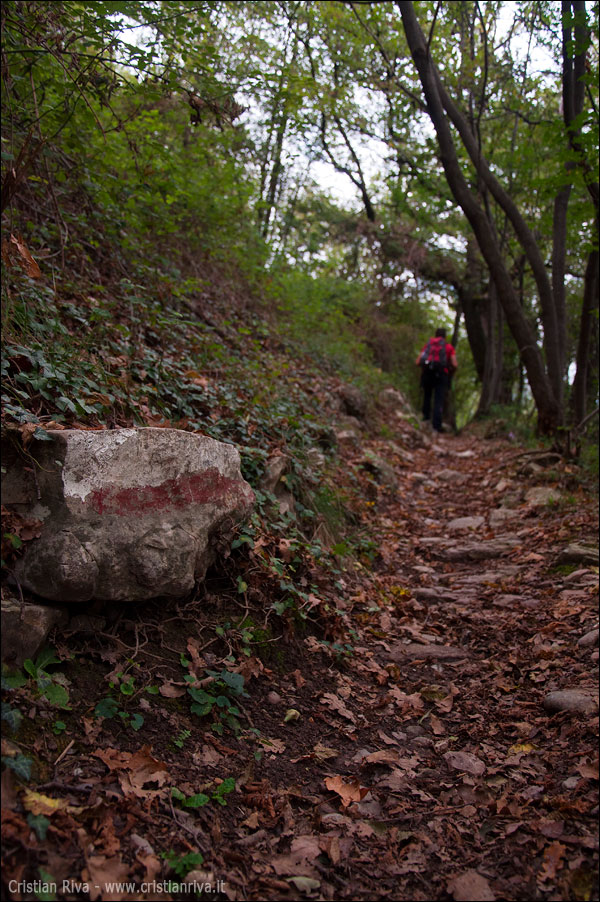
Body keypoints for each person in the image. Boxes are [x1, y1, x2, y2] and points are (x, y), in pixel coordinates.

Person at [415, 328, 457, 433]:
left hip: (427, 374)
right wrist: (450, 373)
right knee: (439, 399)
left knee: (427, 396)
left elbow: (418, 361)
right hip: (441, 374)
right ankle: (436, 426)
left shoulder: (428, 345)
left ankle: (425, 419)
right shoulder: (448, 347)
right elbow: (455, 364)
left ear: (435, 335)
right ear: (445, 336)